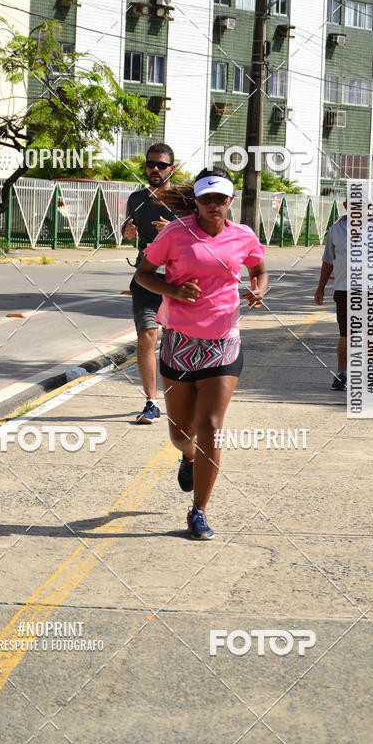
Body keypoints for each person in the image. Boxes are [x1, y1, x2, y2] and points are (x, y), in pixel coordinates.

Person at [135, 166, 267, 540]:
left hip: (223, 343)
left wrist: (259, 290)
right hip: (178, 342)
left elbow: (260, 269)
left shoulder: (243, 235)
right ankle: (188, 456)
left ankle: (199, 511)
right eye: (206, 197)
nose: (213, 204)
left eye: (220, 198)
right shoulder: (176, 234)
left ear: (230, 200)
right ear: (196, 199)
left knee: (210, 427)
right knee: (181, 432)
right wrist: (174, 292)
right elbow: (143, 274)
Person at [314, 201, 373, 390]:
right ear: (346, 205)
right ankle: (342, 374)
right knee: (347, 334)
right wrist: (320, 287)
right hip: (344, 289)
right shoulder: (336, 229)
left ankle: (369, 370)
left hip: (370, 289)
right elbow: (327, 261)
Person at [122, 143, 177, 424]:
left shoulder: (184, 199)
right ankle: (151, 402)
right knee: (146, 337)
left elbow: (202, 234)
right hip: (146, 276)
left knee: (180, 342)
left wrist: (173, 232)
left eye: (161, 165)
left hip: (180, 279)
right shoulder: (136, 198)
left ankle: (185, 396)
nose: (155, 169)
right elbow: (128, 227)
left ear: (172, 169)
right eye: (150, 164)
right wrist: (128, 232)